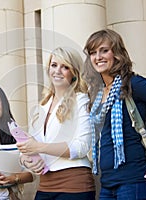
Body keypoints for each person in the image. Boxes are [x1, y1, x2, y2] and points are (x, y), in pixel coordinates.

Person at [82, 29, 146, 199]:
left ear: (117, 53)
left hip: (134, 182)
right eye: (93, 52)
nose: (98, 57)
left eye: (104, 50)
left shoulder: (133, 84)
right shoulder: (97, 94)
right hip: (107, 183)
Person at [17, 47, 96, 200]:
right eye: (54, 65)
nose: (58, 71)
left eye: (65, 67)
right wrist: (25, 159)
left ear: (74, 73)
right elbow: (32, 144)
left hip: (74, 184)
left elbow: (82, 146)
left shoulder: (81, 100)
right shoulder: (42, 107)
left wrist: (39, 147)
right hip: (45, 184)